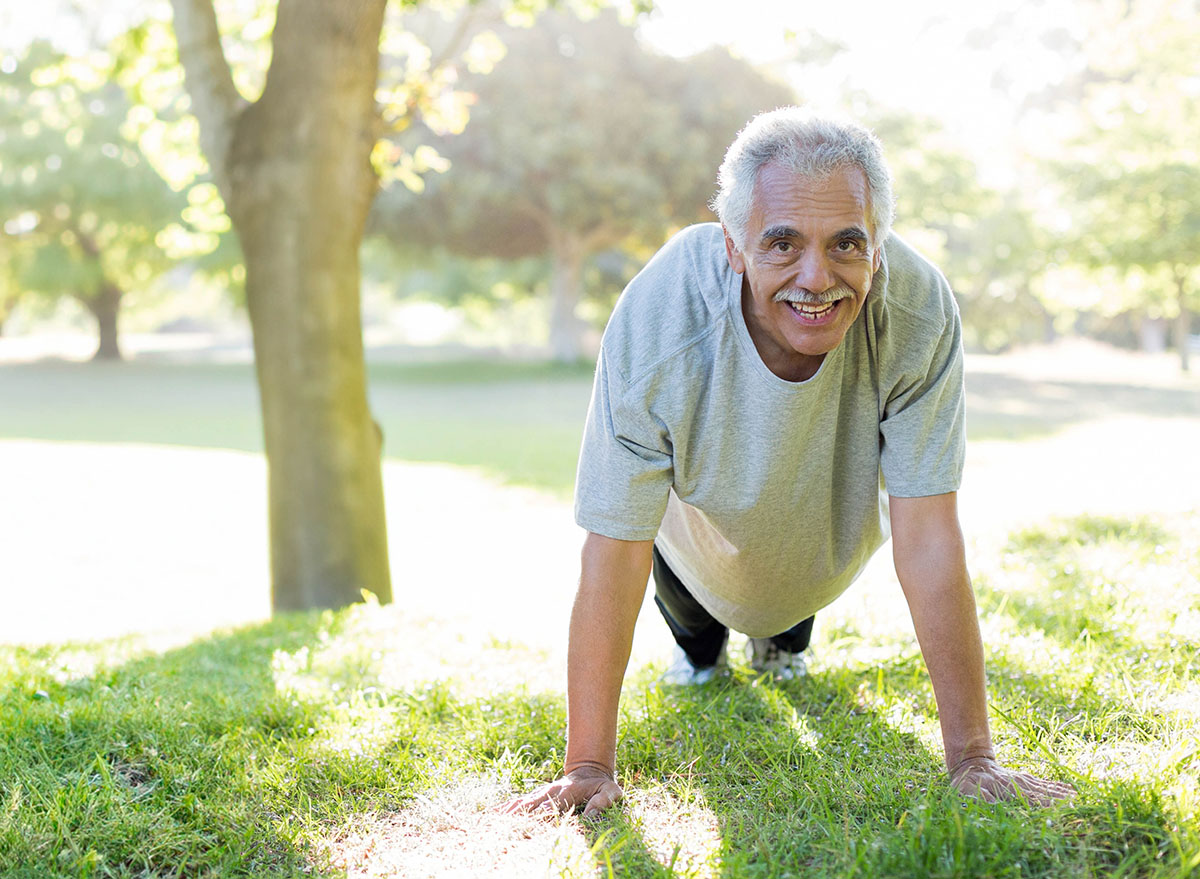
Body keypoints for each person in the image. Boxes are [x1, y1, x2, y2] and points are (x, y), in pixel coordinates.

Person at [503, 108, 1074, 817]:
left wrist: (972, 756)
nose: (817, 277)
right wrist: (588, 764)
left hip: (816, 549)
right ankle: (701, 649)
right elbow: (616, 548)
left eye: (846, 244)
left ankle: (779, 640)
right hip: (695, 547)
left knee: (784, 625)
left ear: (878, 245)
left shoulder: (918, 313)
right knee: (702, 646)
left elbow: (927, 532)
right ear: (734, 247)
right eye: (781, 242)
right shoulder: (661, 318)